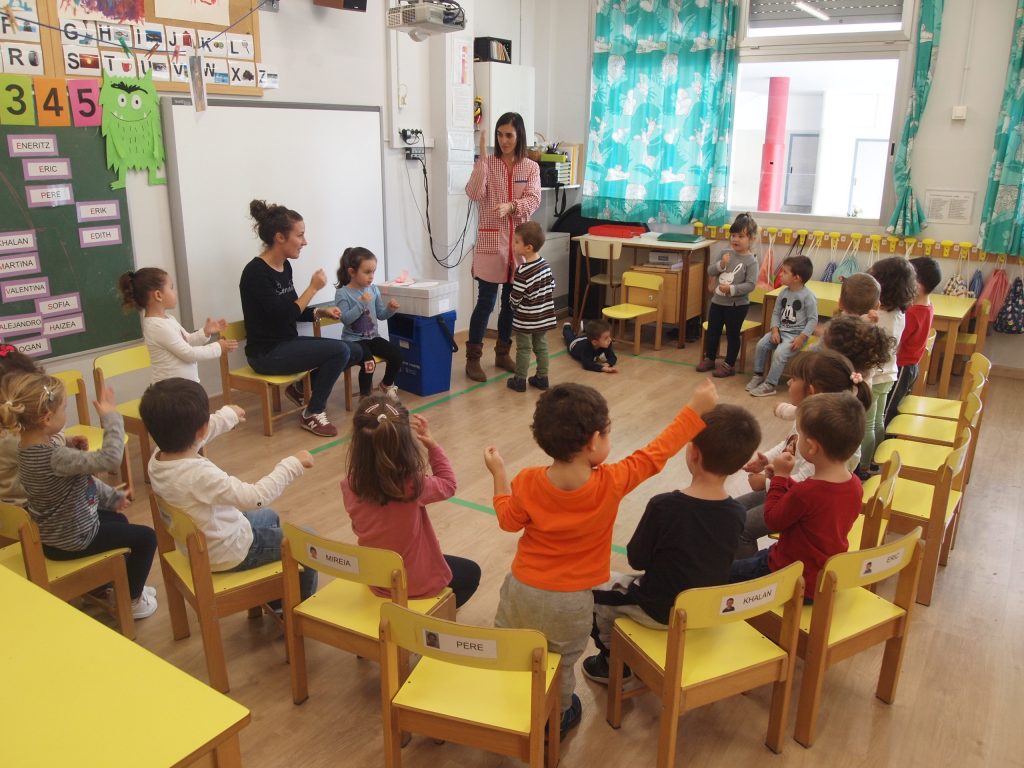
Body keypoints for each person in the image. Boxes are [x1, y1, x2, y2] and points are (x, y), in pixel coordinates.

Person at [483, 378, 717, 738]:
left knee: (513, 650)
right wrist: (695, 409)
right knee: (560, 664)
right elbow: (656, 453)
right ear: (594, 441)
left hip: (520, 589)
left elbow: (507, 520)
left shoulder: (527, 480)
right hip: (571, 603)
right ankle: (555, 719)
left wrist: (499, 475)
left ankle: (508, 706)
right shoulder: (611, 481)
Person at [581, 404, 761, 684]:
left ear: (693, 453)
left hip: (659, 609)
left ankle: (611, 663)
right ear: (739, 464)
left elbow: (637, 559)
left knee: (589, 592)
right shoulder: (737, 512)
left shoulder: (665, 506)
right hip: (705, 610)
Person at [140, 377, 318, 601]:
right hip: (227, 553)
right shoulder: (199, 475)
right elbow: (255, 497)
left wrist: (227, 417)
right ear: (202, 429)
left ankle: (273, 596)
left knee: (270, 517)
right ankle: (296, 610)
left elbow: (195, 436)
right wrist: (292, 464)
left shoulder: (157, 458)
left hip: (200, 543)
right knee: (307, 542)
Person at [1, 373, 158, 618]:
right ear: (47, 418)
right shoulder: (56, 457)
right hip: (74, 540)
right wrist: (111, 417)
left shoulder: (24, 449)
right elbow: (110, 458)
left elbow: (76, 479)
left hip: (51, 537)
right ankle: (131, 600)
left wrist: (69, 444)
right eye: (64, 408)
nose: (66, 413)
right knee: (147, 538)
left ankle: (102, 586)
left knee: (119, 520)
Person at [341, 396, 480, 608]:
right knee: (471, 573)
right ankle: (432, 615)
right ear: (405, 443)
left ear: (357, 442)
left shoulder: (350, 485)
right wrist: (432, 446)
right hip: (414, 586)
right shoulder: (413, 485)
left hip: (377, 580)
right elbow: (449, 484)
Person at [735, 349, 873, 560]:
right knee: (733, 510)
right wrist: (767, 460)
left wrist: (767, 482)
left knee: (742, 529)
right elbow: (790, 443)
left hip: (800, 497)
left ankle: (754, 578)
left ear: (812, 390)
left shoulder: (826, 434)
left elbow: (805, 485)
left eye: (793, 378)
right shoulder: (811, 416)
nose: (789, 383)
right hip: (791, 487)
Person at [240, 199, 361, 438]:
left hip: (287, 343)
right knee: (340, 351)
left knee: (355, 351)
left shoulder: (285, 267)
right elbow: (284, 315)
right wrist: (313, 288)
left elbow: (293, 309)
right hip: (265, 354)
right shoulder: (255, 273)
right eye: (300, 235)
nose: (305, 242)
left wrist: (319, 312)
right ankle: (312, 413)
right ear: (280, 237)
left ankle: (299, 389)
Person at [729, 392, 865, 601]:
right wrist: (783, 480)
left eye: (800, 434)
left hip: (792, 577)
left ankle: (747, 605)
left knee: (721, 574)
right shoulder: (854, 484)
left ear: (812, 447)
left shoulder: (806, 492)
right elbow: (816, 505)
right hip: (822, 573)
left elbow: (772, 519)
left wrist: (780, 478)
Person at [464, 111, 542, 382]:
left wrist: (512, 206)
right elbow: (474, 193)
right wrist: (482, 159)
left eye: (509, 135)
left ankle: (502, 353)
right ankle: (473, 359)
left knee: (511, 304)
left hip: (518, 246)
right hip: (490, 243)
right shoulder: (488, 163)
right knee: (485, 303)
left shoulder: (530, 168)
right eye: (499, 135)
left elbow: (534, 199)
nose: (504, 140)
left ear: (519, 136)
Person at [118, 266, 237, 384]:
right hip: (171, 390)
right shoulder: (156, 327)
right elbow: (189, 354)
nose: (175, 292)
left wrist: (205, 332)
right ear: (158, 295)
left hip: (183, 387)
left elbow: (187, 341)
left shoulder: (168, 319)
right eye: (171, 287)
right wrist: (218, 347)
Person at [859, 257, 916, 477]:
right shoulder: (899, 313)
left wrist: (861, 319)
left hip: (875, 377)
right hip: (889, 374)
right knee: (877, 421)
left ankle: (864, 466)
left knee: (867, 424)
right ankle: (874, 461)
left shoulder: (879, 318)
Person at [333, 246, 403, 401]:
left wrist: (390, 309)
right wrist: (361, 303)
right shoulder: (342, 293)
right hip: (353, 341)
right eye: (367, 272)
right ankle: (365, 397)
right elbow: (345, 319)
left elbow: (381, 315)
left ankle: (386, 384)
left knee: (397, 355)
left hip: (373, 338)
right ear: (352, 272)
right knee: (369, 363)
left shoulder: (373, 289)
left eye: (373, 272)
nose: (371, 276)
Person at [697, 213, 759, 377]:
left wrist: (731, 289)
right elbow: (710, 270)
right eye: (733, 235)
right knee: (713, 331)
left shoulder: (751, 261)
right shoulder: (725, 253)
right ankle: (710, 358)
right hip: (717, 302)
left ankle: (729, 364)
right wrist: (722, 264)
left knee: (732, 334)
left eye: (741, 236)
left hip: (737, 306)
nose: (735, 239)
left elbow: (751, 285)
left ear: (751, 238)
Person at [748, 255, 818, 397]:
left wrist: (801, 337)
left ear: (796, 278)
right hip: (780, 332)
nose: (780, 274)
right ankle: (758, 375)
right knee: (761, 345)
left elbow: (813, 320)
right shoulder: (783, 292)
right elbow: (775, 313)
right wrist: (775, 331)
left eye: (785, 272)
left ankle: (770, 385)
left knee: (779, 353)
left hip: (796, 335)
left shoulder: (808, 296)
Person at [884, 256, 942, 425]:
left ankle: (885, 439)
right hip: (909, 367)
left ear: (917, 285)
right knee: (893, 407)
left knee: (888, 411)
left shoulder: (912, 314)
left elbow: (895, 343)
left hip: (901, 368)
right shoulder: (926, 306)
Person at [507, 222, 556, 392]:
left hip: (526, 319)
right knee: (541, 346)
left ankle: (520, 380)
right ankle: (542, 377)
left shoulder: (522, 271)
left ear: (528, 248)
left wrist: (512, 305)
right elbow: (552, 285)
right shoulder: (545, 265)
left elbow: (516, 297)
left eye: (516, 242)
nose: (513, 245)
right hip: (543, 316)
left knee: (524, 348)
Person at [0, 344, 46, 506]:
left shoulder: (10, 429)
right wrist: (58, 432)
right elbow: (49, 455)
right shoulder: (13, 436)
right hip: (28, 509)